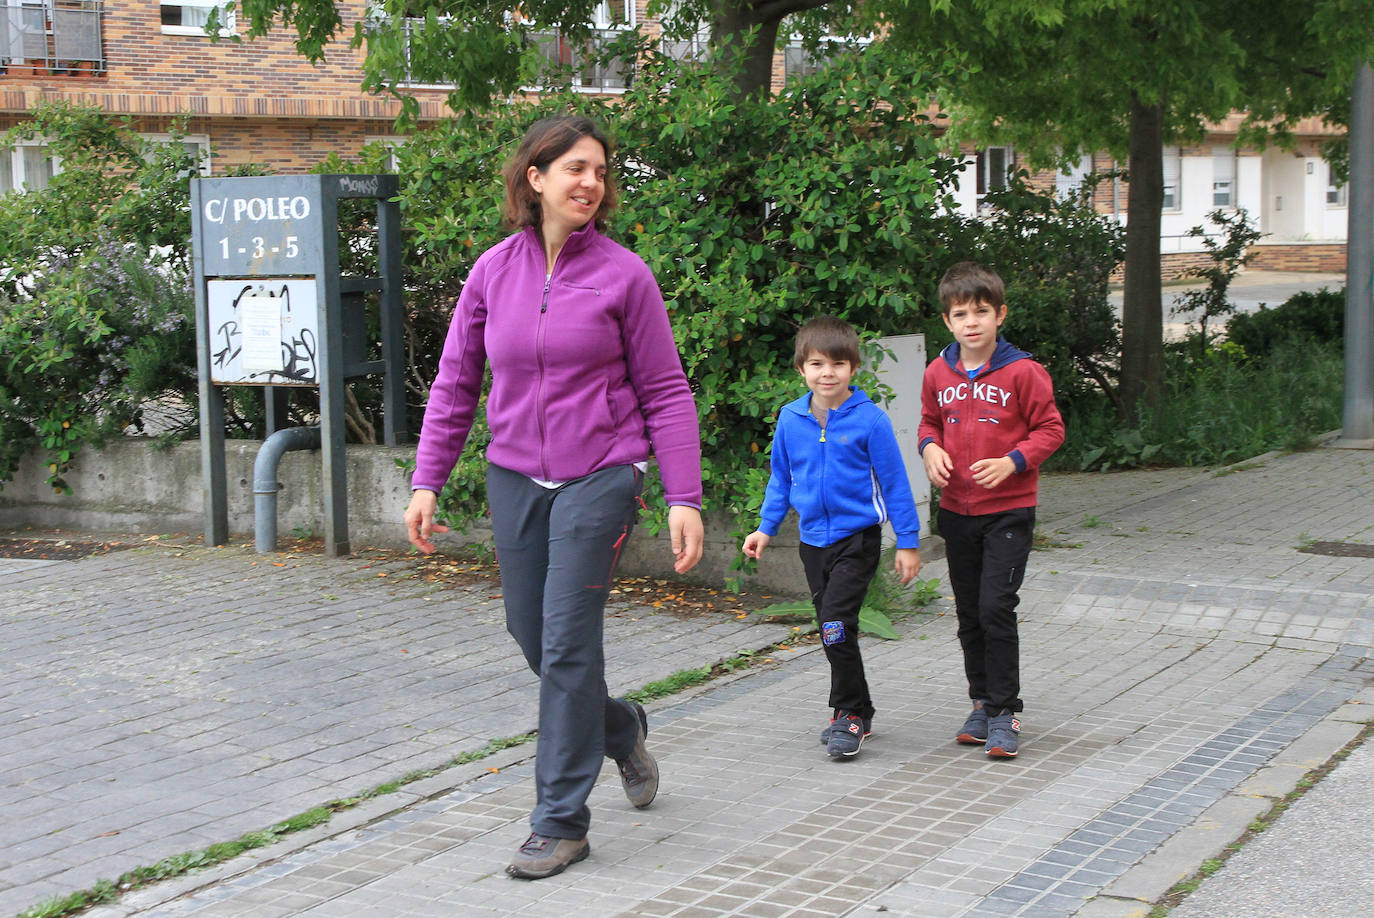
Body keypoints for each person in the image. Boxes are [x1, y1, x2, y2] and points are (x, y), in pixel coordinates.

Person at [404, 114, 704, 880]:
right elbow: (456, 383)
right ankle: (619, 727)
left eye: (599, 171)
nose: (590, 183)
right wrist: (427, 478)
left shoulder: (624, 275)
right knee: (533, 636)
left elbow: (666, 391)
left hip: (601, 471)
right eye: (574, 168)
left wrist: (683, 494)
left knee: (569, 641)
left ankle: (560, 821)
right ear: (534, 178)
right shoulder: (492, 272)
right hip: (514, 475)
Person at [742, 316, 922, 759]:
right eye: (817, 364)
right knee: (833, 630)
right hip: (812, 543)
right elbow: (780, 479)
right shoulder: (790, 418)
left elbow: (896, 484)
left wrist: (909, 541)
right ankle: (858, 708)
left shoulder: (871, 421)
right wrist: (765, 528)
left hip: (856, 539)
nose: (828, 373)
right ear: (801, 368)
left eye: (838, 364)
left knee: (836, 624)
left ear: (853, 369)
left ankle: (849, 714)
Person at [917, 261, 1064, 759]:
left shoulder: (1024, 371)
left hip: (1008, 511)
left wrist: (1012, 461)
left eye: (982, 311)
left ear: (1000, 315)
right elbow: (927, 424)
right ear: (947, 321)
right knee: (968, 613)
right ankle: (980, 701)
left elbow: (1051, 430)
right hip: (957, 511)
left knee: (995, 608)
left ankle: (1005, 712)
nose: (972, 322)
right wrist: (929, 449)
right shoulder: (938, 371)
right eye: (961, 314)